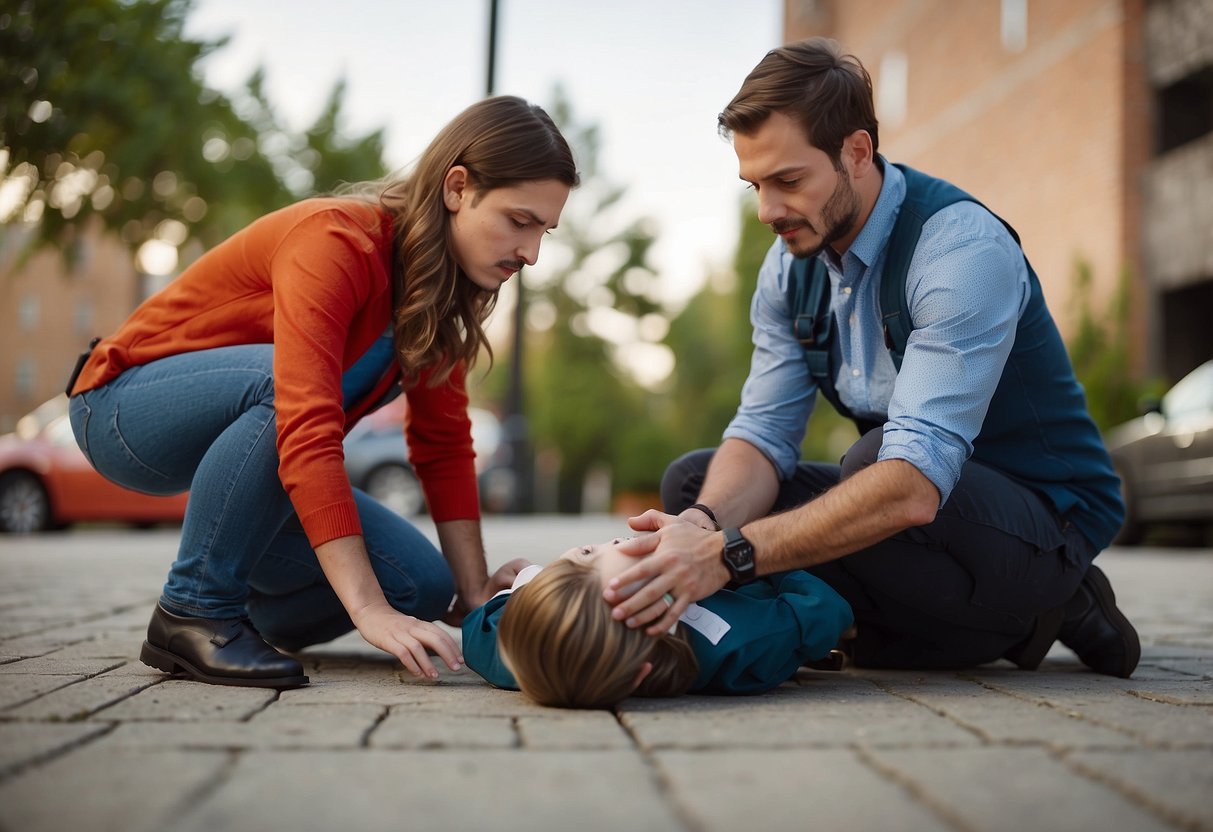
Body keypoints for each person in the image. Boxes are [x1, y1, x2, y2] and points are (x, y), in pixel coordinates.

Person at [603, 38, 1141, 679]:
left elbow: (910, 486)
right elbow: (762, 434)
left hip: (1043, 520)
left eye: (789, 181)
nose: (767, 211)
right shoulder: (790, 267)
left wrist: (730, 556)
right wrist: (698, 529)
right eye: (754, 185)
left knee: (871, 463)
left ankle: (1056, 602)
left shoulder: (958, 249)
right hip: (923, 513)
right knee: (695, 485)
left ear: (856, 153)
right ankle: (919, 634)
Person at [65, 96, 577, 689]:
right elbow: (305, 421)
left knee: (420, 587)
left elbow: (443, 447)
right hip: (122, 408)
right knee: (277, 380)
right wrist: (368, 611)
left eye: (545, 230)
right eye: (520, 221)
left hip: (256, 442)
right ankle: (195, 608)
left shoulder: (438, 298)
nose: (532, 253)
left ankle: (239, 617)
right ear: (457, 188)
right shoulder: (336, 240)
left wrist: (473, 593)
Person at [462, 537, 853, 708]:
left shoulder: (535, 659)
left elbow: (480, 627)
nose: (613, 542)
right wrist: (735, 556)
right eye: (599, 552)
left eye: (584, 553)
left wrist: (529, 579)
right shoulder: (743, 644)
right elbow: (825, 609)